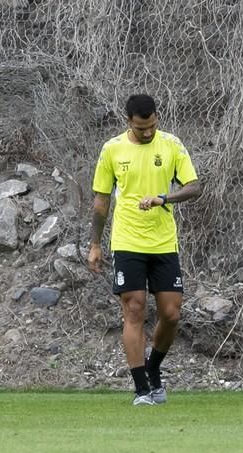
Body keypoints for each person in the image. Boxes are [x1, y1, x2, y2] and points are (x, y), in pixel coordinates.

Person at [88, 94, 201, 405]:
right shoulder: (112, 149)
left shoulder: (171, 145)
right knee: (135, 310)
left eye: (152, 126)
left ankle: (153, 370)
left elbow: (194, 187)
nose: (148, 132)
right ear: (129, 122)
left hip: (164, 242)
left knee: (171, 313)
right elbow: (101, 201)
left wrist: (164, 198)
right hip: (127, 241)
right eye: (141, 128)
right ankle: (141, 390)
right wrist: (96, 244)